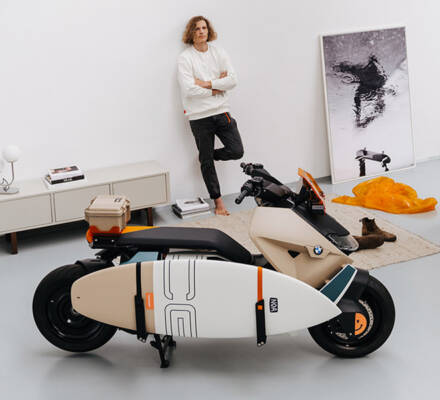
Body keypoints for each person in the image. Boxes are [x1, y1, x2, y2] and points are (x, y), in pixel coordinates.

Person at [177, 16, 244, 216]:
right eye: (197, 29)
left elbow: (233, 80)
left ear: (209, 30)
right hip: (199, 116)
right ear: (191, 33)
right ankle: (219, 204)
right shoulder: (185, 58)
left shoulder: (219, 52)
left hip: (221, 111)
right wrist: (217, 87)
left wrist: (206, 84)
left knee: (236, 150)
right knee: (206, 163)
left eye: (204, 28)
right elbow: (189, 90)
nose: (201, 31)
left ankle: (208, 156)